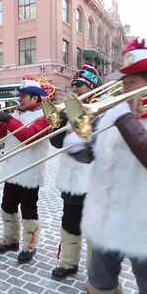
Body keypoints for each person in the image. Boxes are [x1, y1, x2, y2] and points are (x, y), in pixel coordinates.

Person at [66, 38, 147, 294]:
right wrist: (77, 143)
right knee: (100, 285)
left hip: (145, 219)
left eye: (131, 82)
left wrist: (123, 117)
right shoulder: (114, 117)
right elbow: (91, 156)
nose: (123, 88)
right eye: (124, 82)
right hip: (106, 214)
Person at [49, 64, 102, 280]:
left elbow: (98, 144)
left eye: (79, 85)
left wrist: (82, 123)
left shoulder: (102, 110)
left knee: (92, 226)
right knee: (69, 220)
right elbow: (56, 143)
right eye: (74, 85)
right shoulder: (70, 109)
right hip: (70, 176)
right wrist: (58, 123)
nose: (75, 89)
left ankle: (96, 271)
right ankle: (69, 263)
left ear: (90, 87)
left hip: (92, 180)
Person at [0, 79, 50, 264]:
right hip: (12, 169)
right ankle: (10, 240)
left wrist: (10, 120)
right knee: (7, 207)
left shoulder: (45, 116)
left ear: (34, 97)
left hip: (30, 172)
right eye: (20, 96)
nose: (19, 99)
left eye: (23, 96)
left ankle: (29, 246)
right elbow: (1, 135)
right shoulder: (16, 113)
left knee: (29, 210)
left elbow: (28, 136)